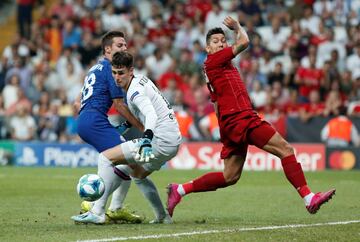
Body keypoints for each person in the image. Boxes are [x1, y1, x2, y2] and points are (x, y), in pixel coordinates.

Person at [166, 16, 335, 218]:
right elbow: (245, 42)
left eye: (223, 40)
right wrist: (237, 26)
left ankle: (180, 190)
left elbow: (217, 102)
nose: (220, 43)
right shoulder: (213, 61)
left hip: (231, 122)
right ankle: (309, 198)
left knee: (230, 176)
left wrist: (225, 132)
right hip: (241, 118)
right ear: (208, 49)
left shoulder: (219, 67)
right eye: (215, 41)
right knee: (286, 149)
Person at [72, 50, 182, 224]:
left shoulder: (134, 92)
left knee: (105, 157)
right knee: (135, 173)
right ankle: (162, 216)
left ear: (131, 71)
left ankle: (98, 212)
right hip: (173, 141)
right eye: (114, 72)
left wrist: (146, 139)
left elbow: (151, 114)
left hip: (159, 140)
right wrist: (126, 126)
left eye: (121, 73)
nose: (117, 77)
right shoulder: (139, 81)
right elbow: (146, 113)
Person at [70, 31, 150, 225]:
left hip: (88, 119)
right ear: (108, 49)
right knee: (129, 160)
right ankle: (102, 207)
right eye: (120, 45)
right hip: (95, 121)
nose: (125, 48)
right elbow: (119, 104)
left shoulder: (95, 68)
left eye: (125, 45)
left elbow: (76, 102)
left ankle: (112, 208)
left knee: (127, 162)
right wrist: (143, 126)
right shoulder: (110, 68)